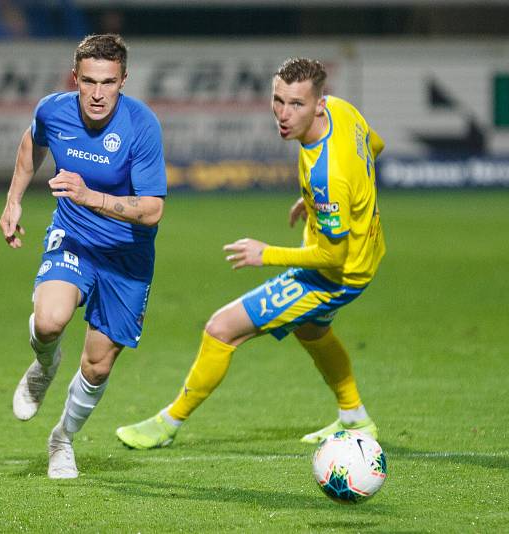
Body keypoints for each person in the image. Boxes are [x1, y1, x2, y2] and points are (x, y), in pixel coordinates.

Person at [115, 57, 385, 450]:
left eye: (296, 105)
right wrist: (319, 202)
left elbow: (333, 257)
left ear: (319, 105)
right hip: (367, 253)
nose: (284, 114)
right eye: (278, 100)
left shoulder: (327, 175)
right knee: (312, 329)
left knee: (221, 329)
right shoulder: (343, 111)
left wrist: (267, 253)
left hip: (338, 274)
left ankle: (168, 423)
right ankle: (355, 418)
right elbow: (374, 147)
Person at [0, 34, 167, 478]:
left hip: (127, 256)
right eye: (88, 81)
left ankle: (62, 439)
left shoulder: (142, 126)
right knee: (50, 320)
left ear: (123, 80)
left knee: (97, 363)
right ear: (75, 77)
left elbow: (152, 210)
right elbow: (31, 144)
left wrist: (90, 196)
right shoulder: (53, 110)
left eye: (107, 82)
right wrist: (14, 200)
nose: (96, 93)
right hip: (74, 237)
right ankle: (45, 363)